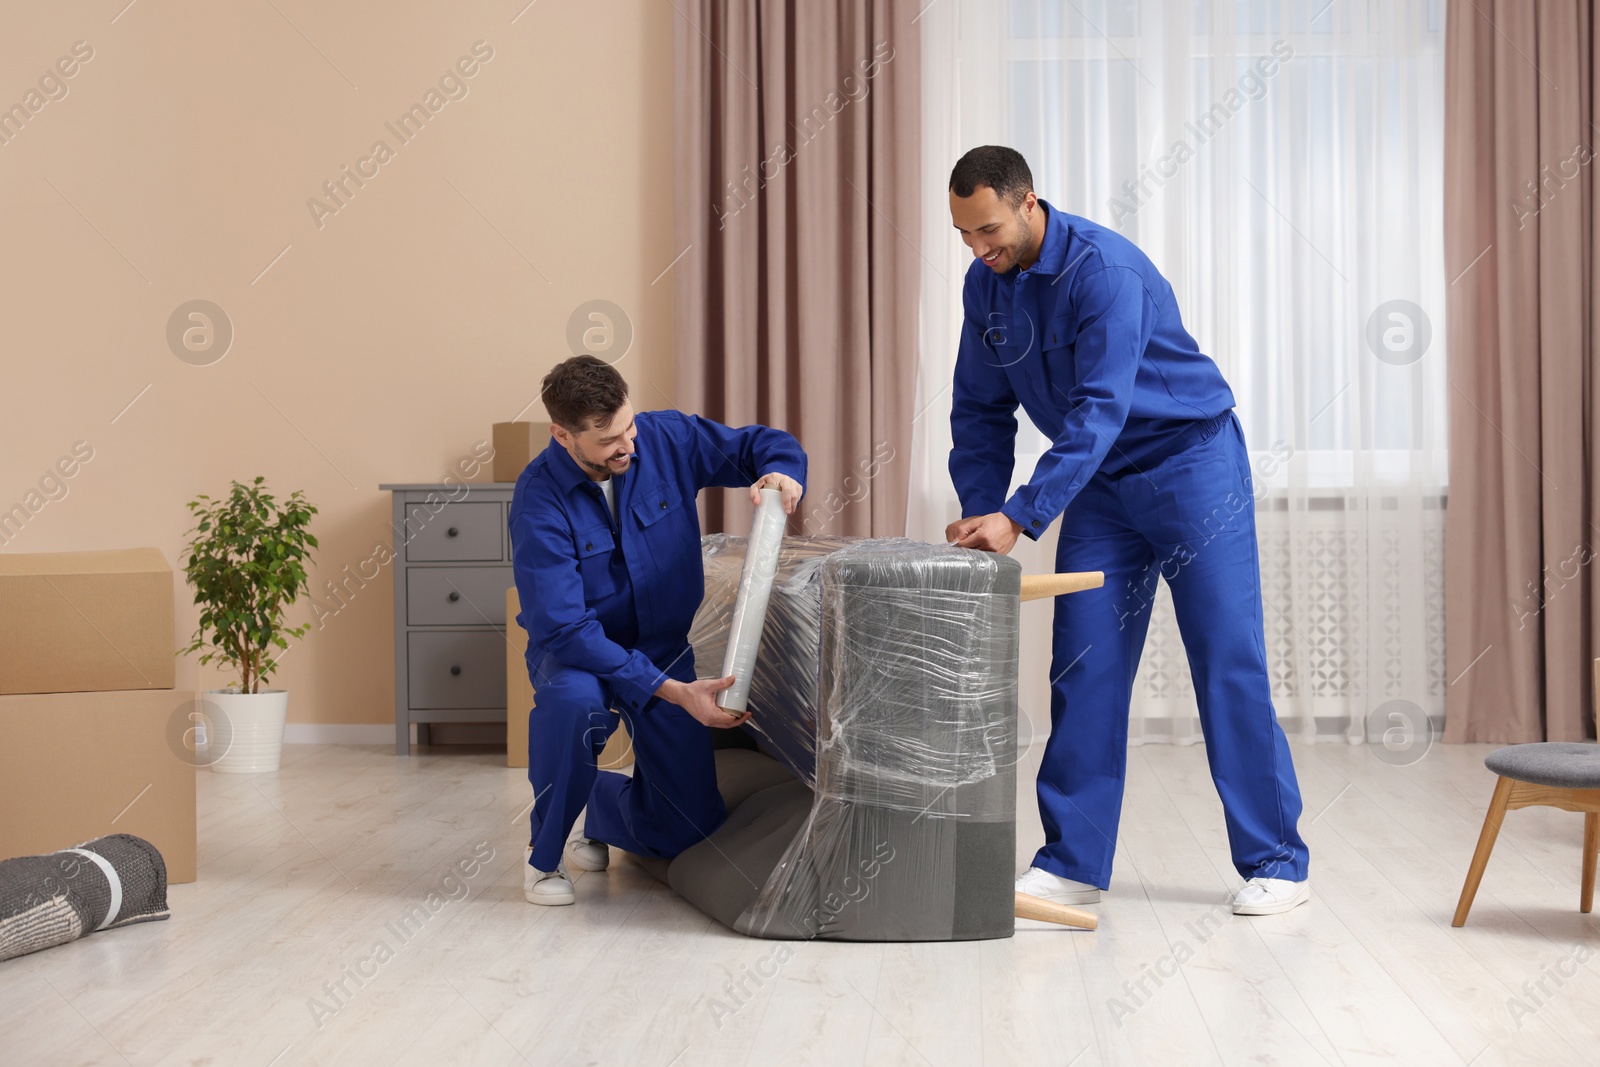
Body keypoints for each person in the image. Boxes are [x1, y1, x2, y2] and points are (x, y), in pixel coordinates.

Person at [943, 146, 1310, 915]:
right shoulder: (987, 287)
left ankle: (1278, 860)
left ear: (1028, 202)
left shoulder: (1105, 273)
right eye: (965, 235)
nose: (979, 249)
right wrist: (985, 509)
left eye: (988, 229)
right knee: (1085, 664)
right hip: (1102, 485)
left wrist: (1022, 514)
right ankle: (1072, 860)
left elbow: (1099, 410)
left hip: (1190, 465)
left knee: (1225, 656)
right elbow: (979, 412)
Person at [508, 355, 806, 906]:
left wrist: (780, 471)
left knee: (686, 831)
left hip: (664, 648)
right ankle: (544, 857)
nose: (627, 446)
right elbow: (566, 626)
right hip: (580, 657)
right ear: (562, 435)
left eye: (629, 426)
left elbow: (760, 443)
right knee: (575, 706)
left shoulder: (666, 439)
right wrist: (674, 694)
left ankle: (598, 803)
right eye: (608, 441)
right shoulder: (537, 501)